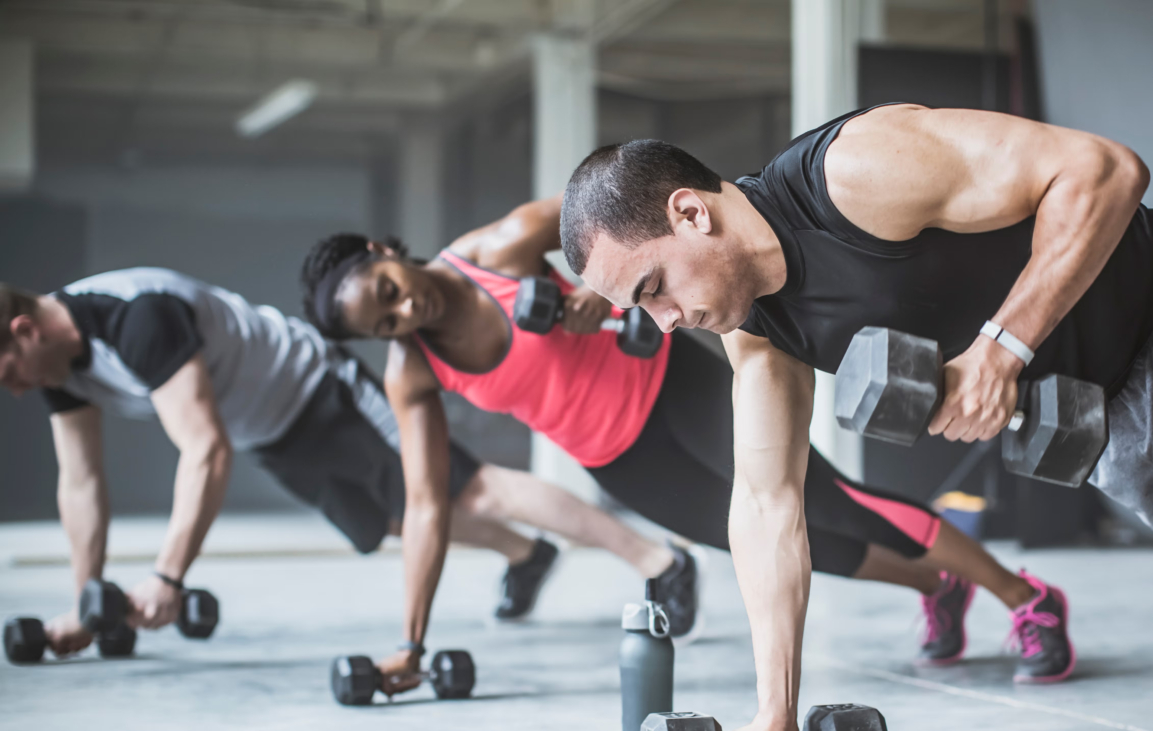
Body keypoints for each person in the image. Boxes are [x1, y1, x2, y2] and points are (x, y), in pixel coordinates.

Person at [560, 101, 1153, 730]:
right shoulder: (756, 332)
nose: (662, 322)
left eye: (653, 287)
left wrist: (1001, 349)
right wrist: (774, 713)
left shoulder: (854, 173)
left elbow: (1105, 170)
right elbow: (765, 505)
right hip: (1091, 416)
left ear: (691, 212)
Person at [300, 194, 1074, 698]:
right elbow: (427, 504)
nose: (406, 311)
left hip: (674, 385)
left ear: (382, 250)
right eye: (386, 323)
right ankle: (937, 584)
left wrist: (591, 291)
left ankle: (1026, 598)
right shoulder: (413, 373)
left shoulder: (497, 250)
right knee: (781, 548)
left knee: (827, 502)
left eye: (388, 290)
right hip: (622, 459)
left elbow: (613, 222)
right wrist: (411, 643)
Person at [0, 270, 681, 658]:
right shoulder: (59, 367)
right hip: (273, 432)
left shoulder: (136, 319)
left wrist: (166, 576)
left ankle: (659, 560)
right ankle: (527, 555)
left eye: (7, 373)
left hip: (317, 388)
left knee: (467, 489)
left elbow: (205, 450)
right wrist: (88, 604)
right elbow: (81, 482)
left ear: (23, 332)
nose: (15, 390)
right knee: (388, 521)